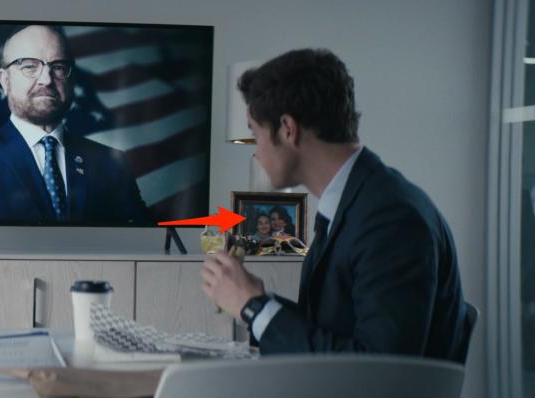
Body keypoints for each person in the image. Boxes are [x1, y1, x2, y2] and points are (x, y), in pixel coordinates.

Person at [200, 49, 468, 362]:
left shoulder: (390, 218)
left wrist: (253, 306)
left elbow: (380, 371)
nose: (256, 152)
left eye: (255, 134)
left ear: (288, 129)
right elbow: (334, 332)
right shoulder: (358, 202)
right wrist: (251, 298)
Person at [0, 25, 150, 224]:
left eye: (58, 67)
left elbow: (140, 239)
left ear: (71, 81)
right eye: (29, 66)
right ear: (5, 80)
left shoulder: (111, 161)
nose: (46, 79)